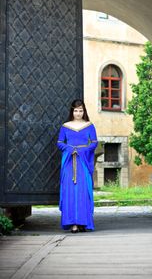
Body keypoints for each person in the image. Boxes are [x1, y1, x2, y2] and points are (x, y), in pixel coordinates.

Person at [57, 99, 98, 233]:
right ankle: (73, 224)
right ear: (72, 111)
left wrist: (82, 150)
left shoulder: (89, 126)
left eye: (81, 110)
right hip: (69, 162)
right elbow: (60, 143)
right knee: (70, 191)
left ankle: (83, 222)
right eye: (76, 110)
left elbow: (94, 143)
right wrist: (70, 149)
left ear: (84, 111)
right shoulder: (65, 126)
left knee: (83, 191)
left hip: (83, 162)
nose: (78, 113)